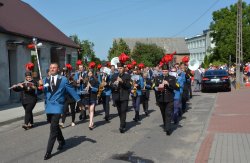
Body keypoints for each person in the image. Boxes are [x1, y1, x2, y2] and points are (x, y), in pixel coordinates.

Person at [39, 63, 82, 160]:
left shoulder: (63, 80)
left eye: (54, 67)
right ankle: (62, 141)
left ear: (58, 69)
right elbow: (39, 93)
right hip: (49, 107)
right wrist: (39, 86)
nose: (52, 69)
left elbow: (71, 90)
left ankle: (48, 152)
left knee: (53, 129)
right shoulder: (45, 80)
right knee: (54, 125)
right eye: (51, 68)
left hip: (58, 106)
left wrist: (79, 101)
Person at [154, 64, 177, 135]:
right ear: (161, 71)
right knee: (163, 113)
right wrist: (159, 87)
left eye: (166, 71)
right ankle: (166, 124)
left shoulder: (172, 78)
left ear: (168, 71)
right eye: (163, 71)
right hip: (161, 99)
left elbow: (174, 87)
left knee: (168, 113)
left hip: (169, 99)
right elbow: (154, 87)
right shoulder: (158, 78)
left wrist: (168, 84)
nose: (164, 72)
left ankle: (168, 129)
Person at [110, 63, 131, 133]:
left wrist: (122, 81)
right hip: (117, 96)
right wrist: (114, 84)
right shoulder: (114, 76)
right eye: (118, 68)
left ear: (123, 69)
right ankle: (123, 122)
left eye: (121, 68)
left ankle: (122, 126)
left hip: (124, 96)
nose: (119, 69)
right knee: (119, 112)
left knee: (123, 111)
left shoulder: (127, 76)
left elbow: (128, 86)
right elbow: (111, 86)